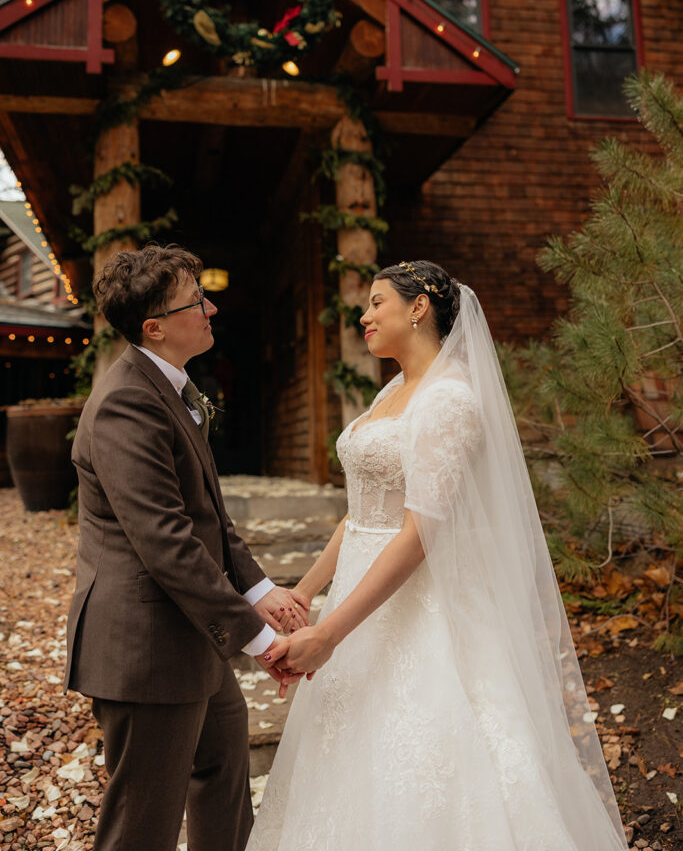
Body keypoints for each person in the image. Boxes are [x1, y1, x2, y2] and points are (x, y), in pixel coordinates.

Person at [247, 260, 629, 851]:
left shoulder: (450, 401)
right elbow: (362, 513)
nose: (363, 315)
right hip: (357, 592)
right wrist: (306, 591)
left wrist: (331, 634)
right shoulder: (392, 392)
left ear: (419, 306)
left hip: (421, 607)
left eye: (376, 303)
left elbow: (420, 532)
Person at [63, 244, 306, 851]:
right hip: (145, 645)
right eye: (197, 301)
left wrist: (260, 589)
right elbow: (167, 542)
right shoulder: (126, 402)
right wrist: (259, 638)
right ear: (156, 327)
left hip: (190, 633)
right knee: (141, 822)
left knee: (223, 768)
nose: (212, 308)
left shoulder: (173, 387)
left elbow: (209, 516)